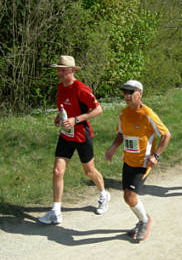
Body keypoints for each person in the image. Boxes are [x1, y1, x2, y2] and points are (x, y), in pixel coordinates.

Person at [39, 55, 110, 224]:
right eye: (58, 70)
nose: (59, 73)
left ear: (71, 71)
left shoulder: (81, 88)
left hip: (81, 135)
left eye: (63, 70)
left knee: (89, 171)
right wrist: (59, 117)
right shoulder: (61, 87)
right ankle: (56, 211)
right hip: (66, 135)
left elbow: (98, 110)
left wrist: (75, 120)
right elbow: (64, 107)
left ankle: (103, 194)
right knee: (57, 171)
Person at [105, 80, 171, 242]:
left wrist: (155, 156)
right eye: (124, 92)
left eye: (130, 92)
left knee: (130, 196)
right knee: (127, 197)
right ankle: (142, 219)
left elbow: (166, 135)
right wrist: (113, 147)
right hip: (128, 161)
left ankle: (144, 221)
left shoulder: (148, 114)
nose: (127, 96)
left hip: (143, 163)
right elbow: (121, 133)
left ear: (139, 93)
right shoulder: (123, 113)